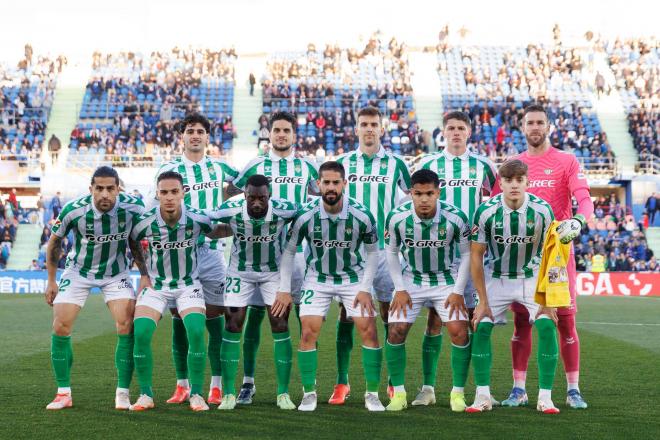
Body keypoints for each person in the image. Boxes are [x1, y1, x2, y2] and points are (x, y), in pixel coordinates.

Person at [495, 104, 594, 409]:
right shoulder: (514, 166)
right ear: (522, 128)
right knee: (522, 322)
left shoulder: (566, 161)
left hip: (556, 258)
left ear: (548, 126)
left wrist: (578, 221)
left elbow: (585, 199)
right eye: (529, 123)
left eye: (540, 122)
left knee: (565, 322)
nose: (535, 128)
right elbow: (494, 204)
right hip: (521, 258)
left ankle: (573, 389)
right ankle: (519, 389)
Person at [278, 161, 384, 412]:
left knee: (368, 330)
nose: (331, 187)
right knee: (308, 332)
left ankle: (372, 394)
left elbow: (373, 253)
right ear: (318, 184)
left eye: (336, 182)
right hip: (318, 277)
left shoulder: (361, 214)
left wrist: (365, 288)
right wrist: (284, 288)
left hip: (353, 278)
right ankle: (309, 393)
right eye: (326, 182)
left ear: (345, 184)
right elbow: (289, 251)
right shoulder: (305, 215)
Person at [231, 111, 319, 405]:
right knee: (253, 320)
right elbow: (232, 192)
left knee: (301, 317)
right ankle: (248, 382)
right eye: (277, 130)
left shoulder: (307, 166)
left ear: (295, 135)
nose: (281, 135)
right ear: (269, 134)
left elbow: (319, 198)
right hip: (258, 254)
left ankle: (309, 385)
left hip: (294, 254)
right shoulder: (256, 164)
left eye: (286, 130)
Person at [412, 110, 497, 409]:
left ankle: (478, 389)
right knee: (435, 321)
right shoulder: (429, 164)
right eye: (451, 128)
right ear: (443, 133)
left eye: (461, 127)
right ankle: (428, 387)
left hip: (471, 255)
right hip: (436, 253)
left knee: (473, 321)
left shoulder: (484, 166)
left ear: (469, 132)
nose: (456, 132)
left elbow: (496, 201)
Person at [43, 166, 147, 410]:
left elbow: (137, 240)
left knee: (126, 323)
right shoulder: (74, 209)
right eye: (99, 188)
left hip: (116, 273)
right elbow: (55, 243)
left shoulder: (134, 207)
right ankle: (63, 393)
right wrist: (51, 280)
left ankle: (122, 392)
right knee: (60, 326)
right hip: (78, 272)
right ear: (91, 189)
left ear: (118, 188)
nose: (104, 194)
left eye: (110, 188)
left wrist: (144, 274)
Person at [128, 171, 230, 412]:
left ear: (183, 192)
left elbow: (215, 231)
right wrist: (143, 273)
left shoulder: (196, 218)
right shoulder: (145, 221)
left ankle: (196, 394)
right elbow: (132, 241)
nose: (170, 197)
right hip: (157, 286)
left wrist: (246, 227)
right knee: (141, 332)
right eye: (164, 192)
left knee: (196, 330)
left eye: (175, 192)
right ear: (157, 194)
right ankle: (145, 394)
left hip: (188, 285)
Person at [155, 113, 239, 406]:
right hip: (179, 253)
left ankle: (216, 385)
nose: (195, 135)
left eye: (200, 131)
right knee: (179, 320)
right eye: (190, 130)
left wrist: (232, 214)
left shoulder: (219, 168)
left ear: (207, 137)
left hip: (211, 253)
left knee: (215, 317)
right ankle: (182, 384)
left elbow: (246, 188)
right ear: (182, 135)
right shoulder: (169, 169)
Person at [467, 159, 560, 414]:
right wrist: (482, 301)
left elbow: (552, 255)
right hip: (496, 277)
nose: (514, 185)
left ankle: (545, 397)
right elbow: (476, 255)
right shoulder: (486, 211)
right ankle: (483, 396)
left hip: (531, 277)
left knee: (546, 322)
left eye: (519, 180)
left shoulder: (542, 210)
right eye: (508, 180)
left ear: (527, 182)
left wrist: (548, 299)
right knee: (482, 326)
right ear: (501, 183)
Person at [334, 106, 411, 403]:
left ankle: (393, 380)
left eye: (373, 124)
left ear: (382, 129)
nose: (368, 129)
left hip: (385, 251)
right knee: (347, 313)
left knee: (388, 313)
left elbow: (410, 199)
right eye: (363, 124)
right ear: (355, 129)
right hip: (351, 252)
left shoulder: (396, 164)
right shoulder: (341, 163)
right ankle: (342, 382)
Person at [383, 169, 472, 412]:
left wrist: (458, 291)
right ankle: (398, 395)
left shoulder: (456, 217)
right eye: (418, 193)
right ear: (411, 193)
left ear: (438, 192)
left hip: (445, 280)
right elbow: (391, 252)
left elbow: (466, 254)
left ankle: (457, 394)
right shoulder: (397, 217)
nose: (424, 199)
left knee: (459, 331)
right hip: (411, 279)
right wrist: (399, 288)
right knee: (396, 330)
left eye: (429, 193)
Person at [208, 174, 298, 410]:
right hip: (240, 272)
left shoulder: (284, 210)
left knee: (279, 324)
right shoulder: (231, 208)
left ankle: (283, 394)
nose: (257, 203)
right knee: (232, 324)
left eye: (262, 198)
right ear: (244, 195)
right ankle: (228, 393)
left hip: (273, 273)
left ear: (269, 196)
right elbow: (205, 219)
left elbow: (306, 217)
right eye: (251, 198)